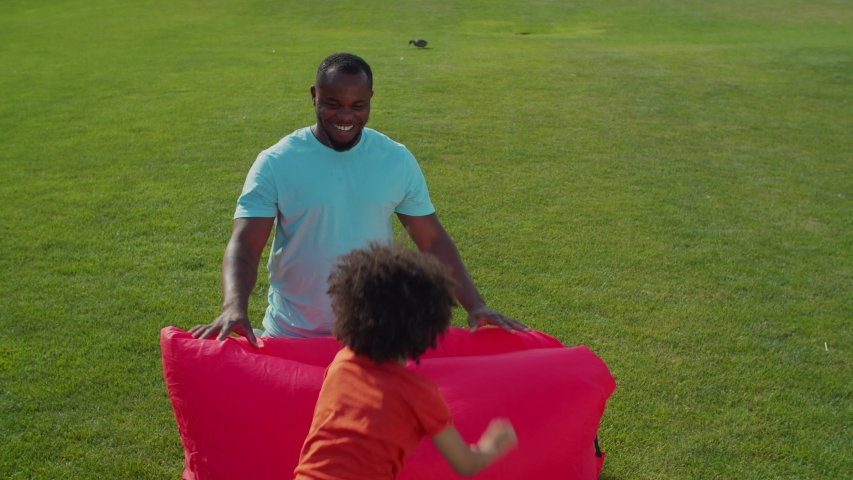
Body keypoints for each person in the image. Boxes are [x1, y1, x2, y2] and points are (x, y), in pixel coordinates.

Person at [190, 52, 529, 346]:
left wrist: (475, 304)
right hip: (292, 338)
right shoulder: (277, 162)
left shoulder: (395, 159)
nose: (345, 116)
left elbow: (432, 240)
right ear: (314, 96)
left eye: (358, 105)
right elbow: (245, 245)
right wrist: (233, 307)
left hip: (372, 339)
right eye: (333, 104)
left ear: (370, 100)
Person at [293, 244, 518, 479]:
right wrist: (493, 446)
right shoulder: (418, 394)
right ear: (428, 326)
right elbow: (466, 464)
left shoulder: (342, 363)